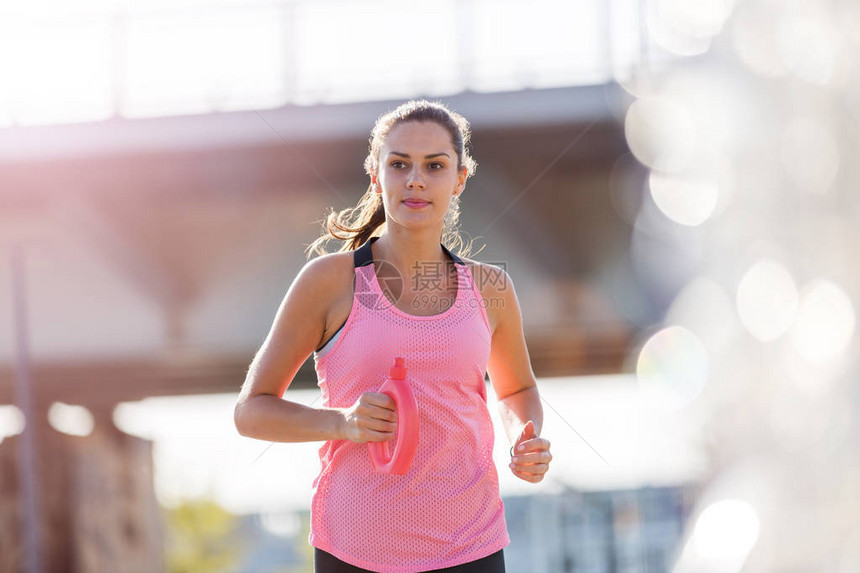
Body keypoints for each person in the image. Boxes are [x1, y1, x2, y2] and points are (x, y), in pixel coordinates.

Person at [234, 100, 552, 573]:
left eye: (435, 166)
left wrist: (522, 437)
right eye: (399, 164)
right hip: (355, 549)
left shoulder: (491, 287)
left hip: (471, 545)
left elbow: (517, 390)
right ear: (375, 173)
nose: (416, 180)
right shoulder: (328, 281)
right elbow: (251, 411)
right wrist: (342, 423)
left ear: (460, 179)